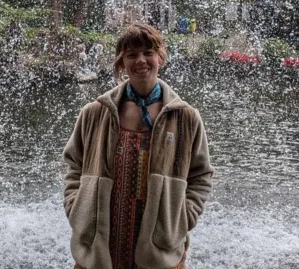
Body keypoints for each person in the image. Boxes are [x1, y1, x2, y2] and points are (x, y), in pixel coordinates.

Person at [62, 23, 214, 269]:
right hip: (101, 244)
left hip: (159, 246)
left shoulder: (185, 118)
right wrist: (76, 208)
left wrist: (182, 219)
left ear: (160, 57)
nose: (140, 60)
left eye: (148, 53)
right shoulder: (95, 113)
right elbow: (73, 165)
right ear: (122, 62)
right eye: (131, 55)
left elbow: (202, 175)